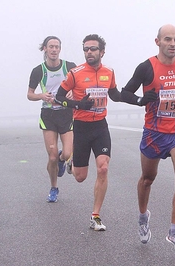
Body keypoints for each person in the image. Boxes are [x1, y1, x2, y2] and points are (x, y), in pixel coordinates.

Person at [121, 24, 175, 252]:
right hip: (154, 134)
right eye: (168, 40)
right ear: (158, 42)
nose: (172, 44)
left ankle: (174, 232)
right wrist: (140, 100)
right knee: (147, 179)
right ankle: (143, 216)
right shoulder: (146, 67)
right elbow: (125, 92)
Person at [54, 34, 121, 231]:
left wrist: (138, 99)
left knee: (103, 168)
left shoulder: (109, 72)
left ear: (102, 51)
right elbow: (59, 97)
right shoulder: (75, 73)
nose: (89, 52)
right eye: (86, 49)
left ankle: (95, 216)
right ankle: (69, 162)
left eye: (93, 49)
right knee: (80, 177)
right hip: (81, 128)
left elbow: (115, 94)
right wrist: (77, 104)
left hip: (100, 126)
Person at [27, 36, 76, 203]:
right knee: (52, 156)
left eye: (57, 47)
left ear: (60, 49)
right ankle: (54, 187)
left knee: (67, 153)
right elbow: (30, 94)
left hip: (66, 113)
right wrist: (41, 95)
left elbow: (80, 87)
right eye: (51, 47)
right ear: (45, 49)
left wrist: (73, 93)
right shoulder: (38, 70)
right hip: (48, 115)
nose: (54, 50)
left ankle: (63, 160)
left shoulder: (69, 67)